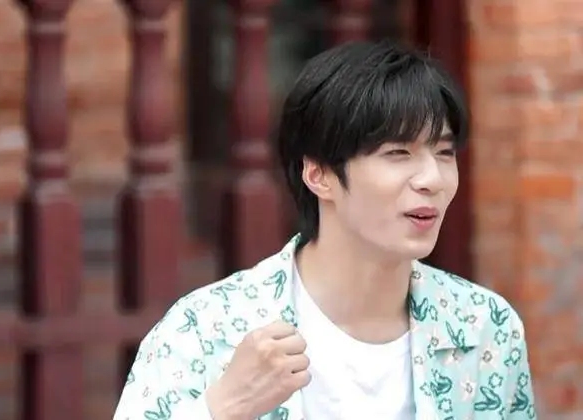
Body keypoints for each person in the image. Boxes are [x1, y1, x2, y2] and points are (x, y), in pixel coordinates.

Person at [113, 40, 536, 420]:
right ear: (319, 174)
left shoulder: (483, 327)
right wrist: (225, 408)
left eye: (443, 152)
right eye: (398, 153)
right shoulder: (207, 329)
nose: (432, 179)